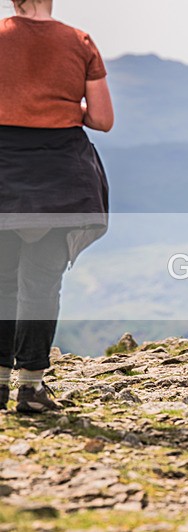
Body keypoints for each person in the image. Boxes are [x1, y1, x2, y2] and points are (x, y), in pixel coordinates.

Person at [0, 0, 113, 413]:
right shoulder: (79, 42)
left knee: (2, 282)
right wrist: (60, 106)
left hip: (4, 172)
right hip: (61, 179)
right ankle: (31, 389)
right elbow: (102, 119)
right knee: (42, 284)